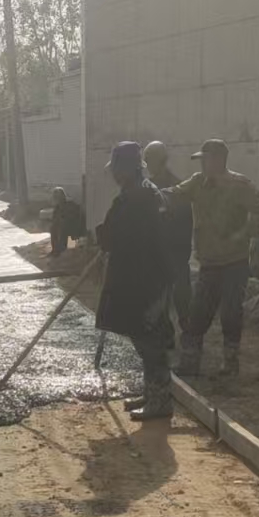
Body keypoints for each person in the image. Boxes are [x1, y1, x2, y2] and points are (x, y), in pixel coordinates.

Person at [168, 139, 259, 378]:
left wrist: (245, 233)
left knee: (230, 313)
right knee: (197, 314)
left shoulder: (239, 185)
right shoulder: (197, 182)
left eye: (205, 159)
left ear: (218, 160)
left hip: (234, 263)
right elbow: (174, 195)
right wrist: (152, 192)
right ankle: (190, 362)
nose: (202, 164)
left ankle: (230, 363)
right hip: (209, 263)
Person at [95, 142, 175, 422]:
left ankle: (161, 401)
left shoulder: (138, 198)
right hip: (142, 278)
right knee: (143, 339)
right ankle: (152, 393)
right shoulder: (139, 192)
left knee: (150, 340)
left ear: (127, 168)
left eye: (117, 168)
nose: (114, 174)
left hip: (146, 281)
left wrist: (104, 236)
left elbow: (119, 238)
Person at [143, 140, 192, 331]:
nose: (147, 165)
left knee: (181, 295)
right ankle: (163, 332)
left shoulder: (177, 188)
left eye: (149, 160)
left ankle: (187, 329)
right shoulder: (148, 187)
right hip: (157, 252)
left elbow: (185, 220)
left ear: (159, 160)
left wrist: (182, 253)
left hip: (175, 249)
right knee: (158, 298)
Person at [49, 186, 84, 258]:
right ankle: (55, 250)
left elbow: (73, 219)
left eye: (57, 197)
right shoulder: (57, 208)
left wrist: (62, 221)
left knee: (63, 228)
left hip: (73, 229)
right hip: (65, 228)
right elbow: (55, 220)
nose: (56, 199)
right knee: (53, 228)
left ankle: (63, 250)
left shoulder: (70, 205)